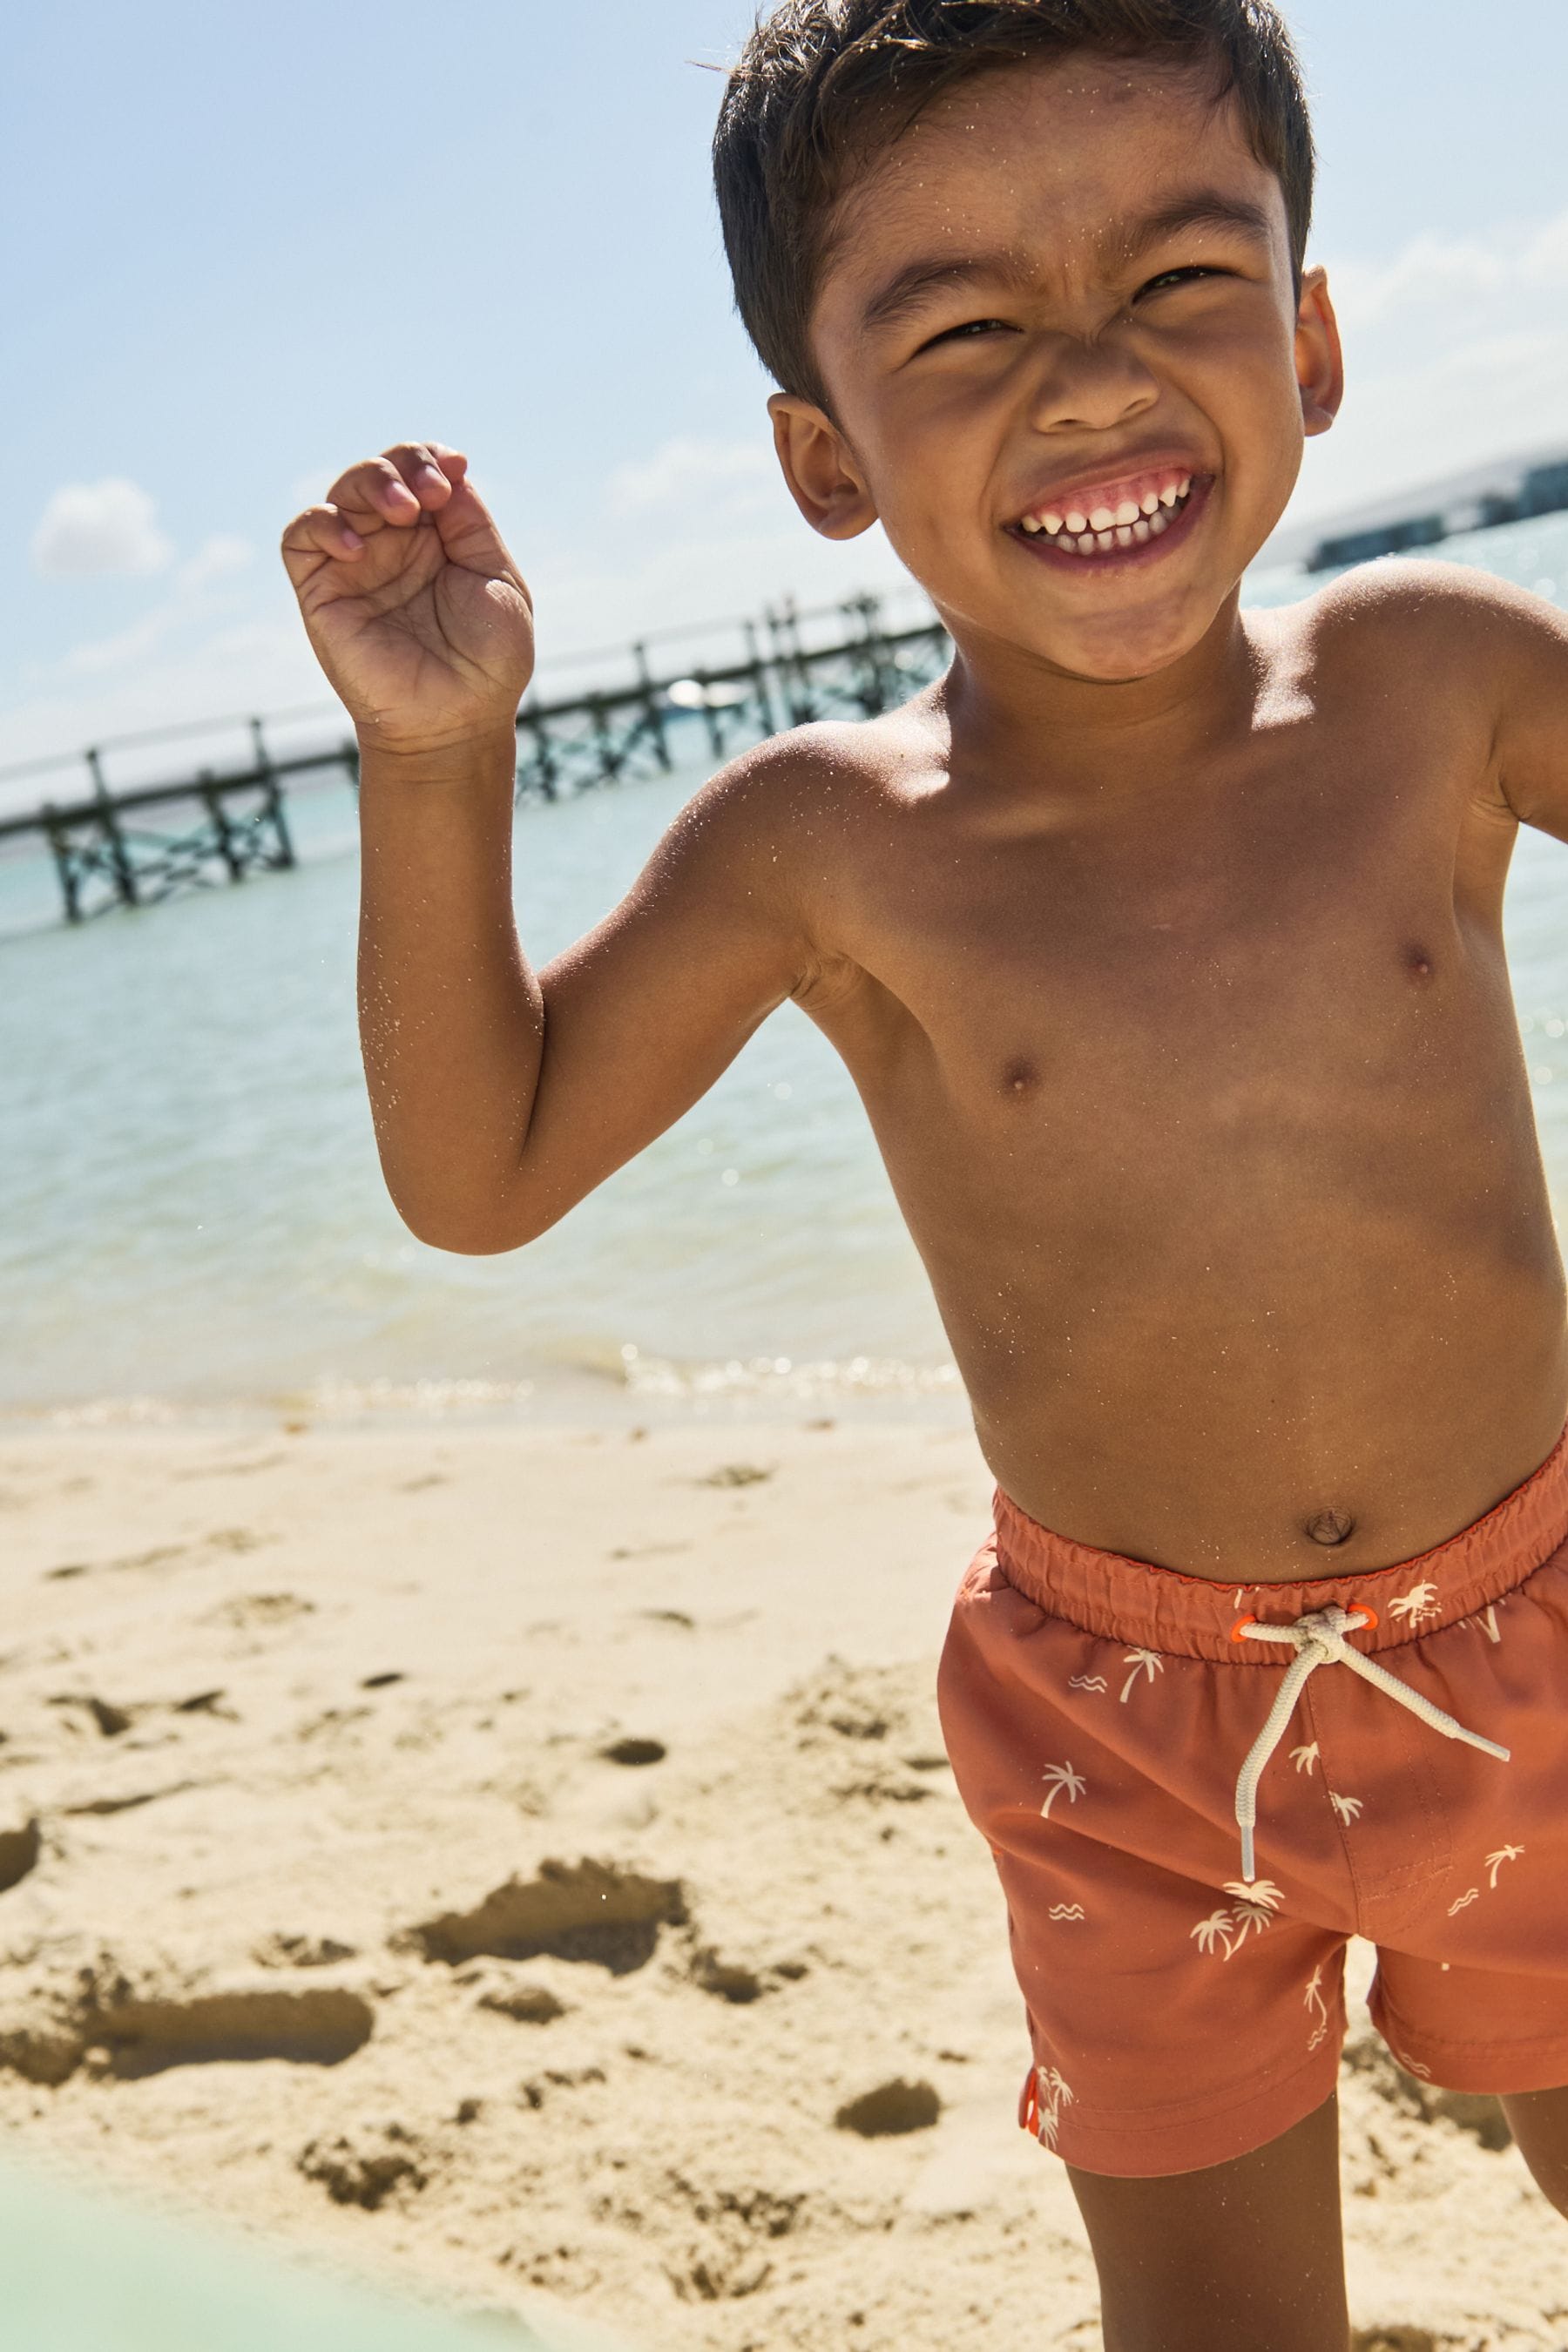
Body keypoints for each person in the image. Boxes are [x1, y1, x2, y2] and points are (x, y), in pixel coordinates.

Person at [280, 3, 1568, 2342]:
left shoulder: (1439, 679)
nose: (1088, 381)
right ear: (822, 457)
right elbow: (482, 1174)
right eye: (966, 329)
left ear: (1312, 334)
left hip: (1545, 1632)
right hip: (1126, 1738)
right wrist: (443, 764)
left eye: (1180, 283)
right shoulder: (830, 844)